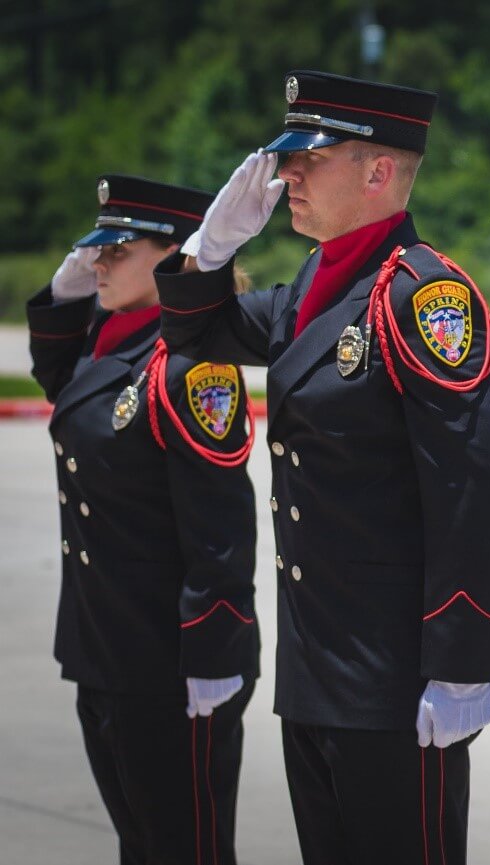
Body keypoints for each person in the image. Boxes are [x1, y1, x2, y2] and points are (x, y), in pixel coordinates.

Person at [153, 70, 490, 865]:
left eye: (308, 159)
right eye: (287, 158)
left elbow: (479, 487)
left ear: (377, 171)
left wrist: (461, 665)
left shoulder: (424, 296)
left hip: (397, 678)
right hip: (318, 665)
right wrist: (211, 247)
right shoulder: (311, 292)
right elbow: (198, 332)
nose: (287, 174)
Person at [27, 174, 259, 864]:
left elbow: (221, 526)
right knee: (142, 843)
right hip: (104, 647)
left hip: (171, 662)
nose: (97, 262)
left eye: (117, 248)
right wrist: (66, 294)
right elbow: (60, 378)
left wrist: (214, 652)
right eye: (96, 247)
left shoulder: (191, 365)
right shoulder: (108, 348)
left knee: (185, 848)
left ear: (173, 256)